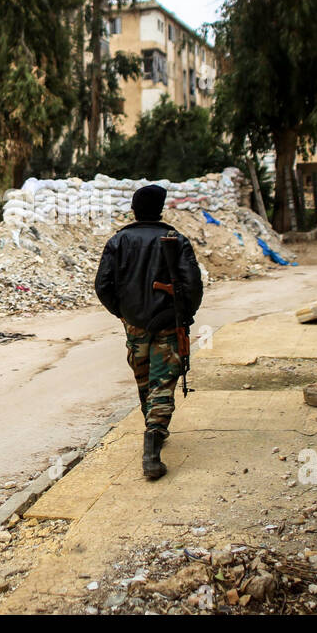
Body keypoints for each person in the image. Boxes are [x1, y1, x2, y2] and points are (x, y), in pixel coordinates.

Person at [94, 184, 203, 480]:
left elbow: (102, 286)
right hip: (168, 321)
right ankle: (152, 450)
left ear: (134, 210)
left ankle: (153, 428)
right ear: (160, 210)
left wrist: (124, 314)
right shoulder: (175, 239)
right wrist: (185, 315)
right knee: (162, 382)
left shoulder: (118, 241)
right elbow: (193, 284)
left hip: (135, 324)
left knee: (144, 378)